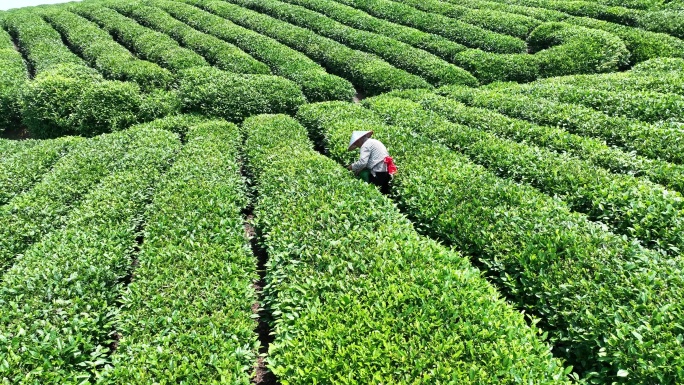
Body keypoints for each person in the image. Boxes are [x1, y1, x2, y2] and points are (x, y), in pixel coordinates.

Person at [346, 130, 395, 195]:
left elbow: (362, 162)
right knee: (383, 193)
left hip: (378, 172)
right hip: (385, 170)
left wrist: (350, 167)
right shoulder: (373, 141)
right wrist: (361, 168)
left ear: (358, 140)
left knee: (374, 193)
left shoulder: (365, 145)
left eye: (356, 144)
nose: (357, 146)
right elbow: (372, 160)